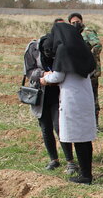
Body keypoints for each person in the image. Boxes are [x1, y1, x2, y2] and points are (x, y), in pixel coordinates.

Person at [40, 22, 97, 184]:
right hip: (85, 97)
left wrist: (45, 78)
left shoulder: (63, 50)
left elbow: (58, 76)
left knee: (78, 138)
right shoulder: (82, 48)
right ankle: (87, 173)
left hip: (72, 99)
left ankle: (85, 176)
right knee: (85, 138)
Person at [23, 34, 77, 174]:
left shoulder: (61, 49)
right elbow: (29, 71)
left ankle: (70, 162)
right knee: (46, 128)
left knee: (60, 128)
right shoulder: (32, 49)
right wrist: (44, 73)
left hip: (58, 94)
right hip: (40, 95)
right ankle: (54, 160)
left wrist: (56, 76)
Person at [67, 13, 102, 128]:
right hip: (79, 72)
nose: (76, 24)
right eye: (73, 23)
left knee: (92, 97)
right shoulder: (73, 34)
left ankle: (95, 125)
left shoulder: (87, 32)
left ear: (82, 21)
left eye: (77, 22)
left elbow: (97, 46)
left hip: (91, 72)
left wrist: (88, 57)